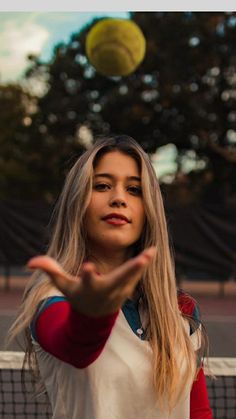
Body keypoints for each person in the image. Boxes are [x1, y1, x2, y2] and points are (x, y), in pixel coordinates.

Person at [8, 135, 213, 419]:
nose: (118, 198)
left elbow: (199, 412)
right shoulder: (52, 299)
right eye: (102, 185)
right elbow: (77, 347)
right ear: (78, 203)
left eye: (134, 189)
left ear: (149, 208)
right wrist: (94, 314)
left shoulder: (182, 309)